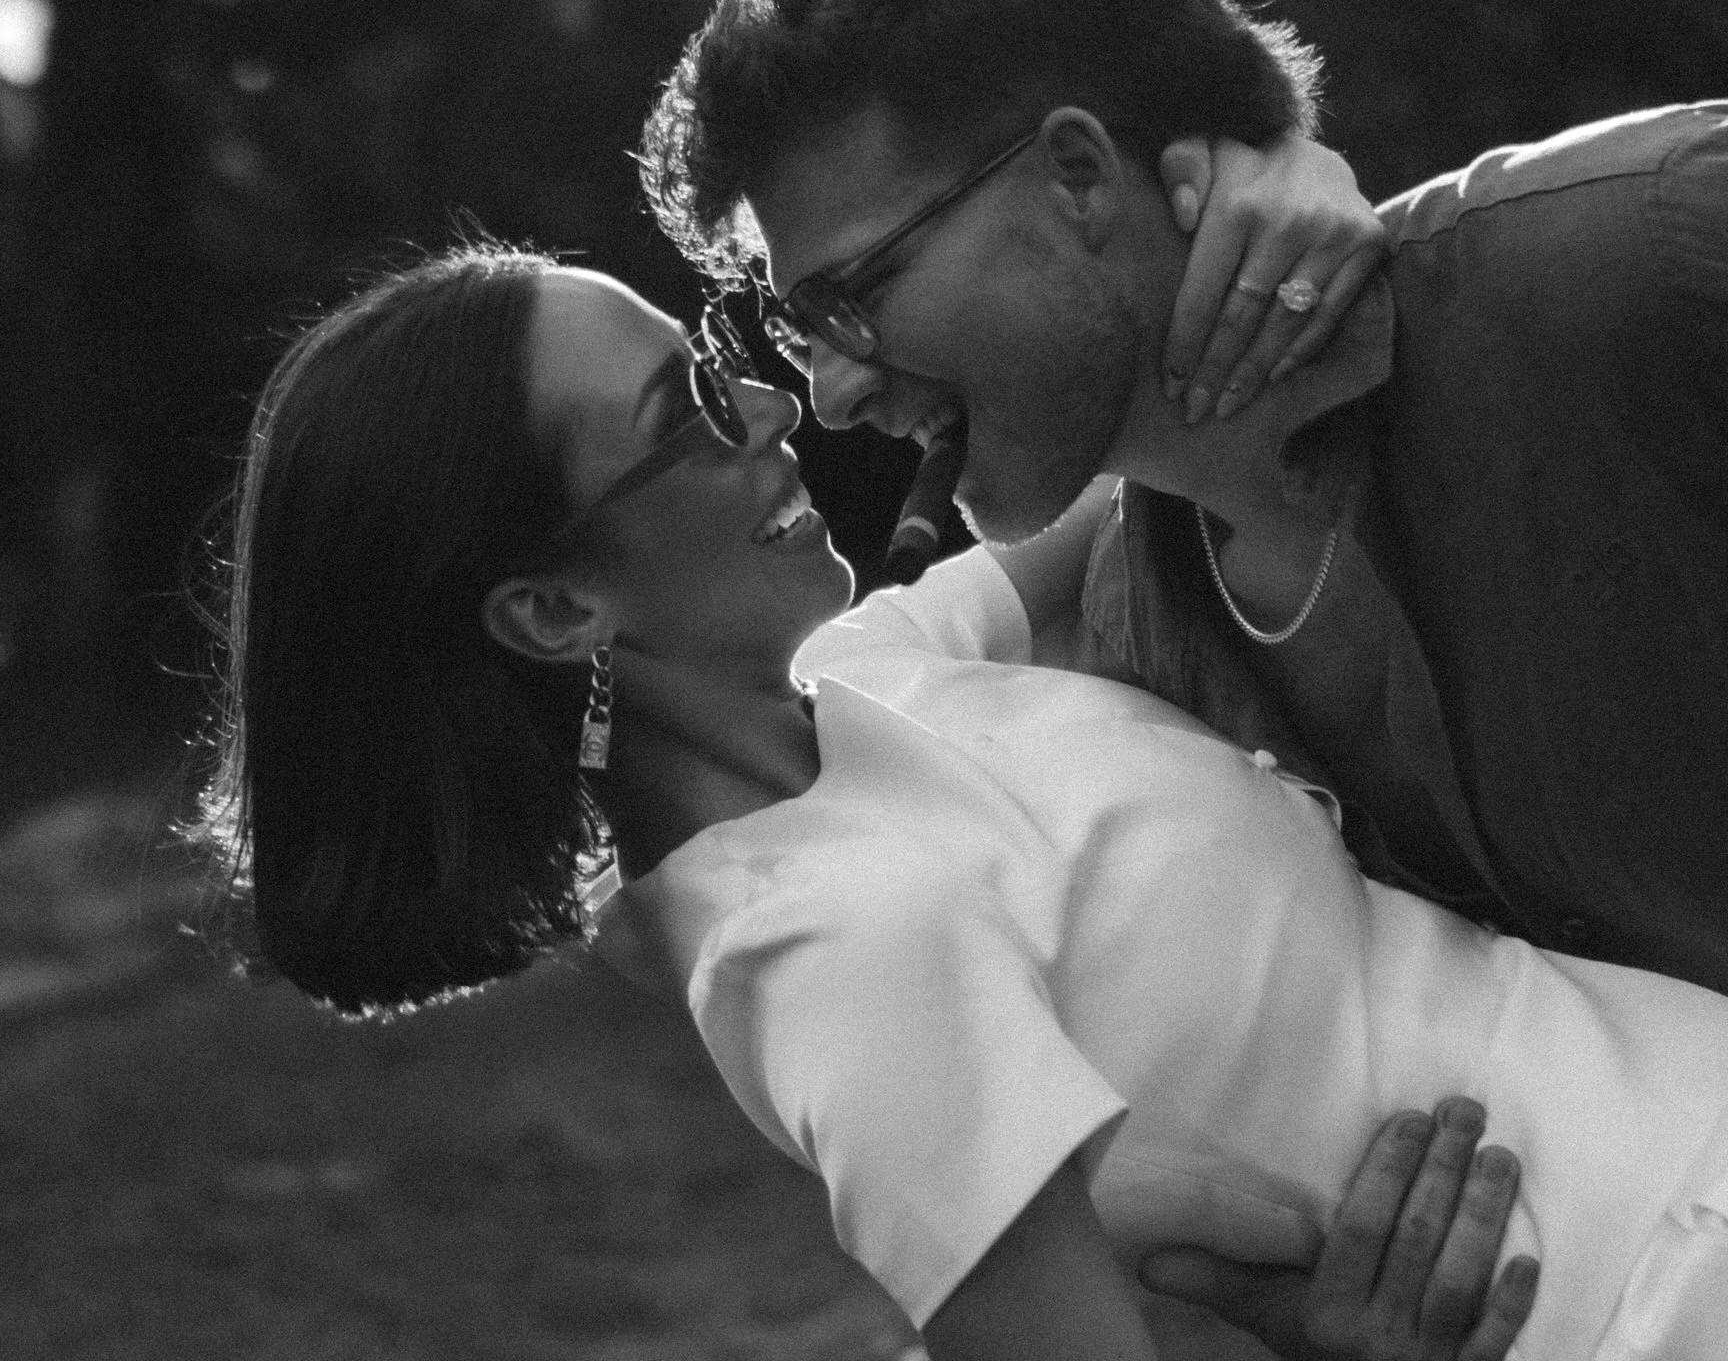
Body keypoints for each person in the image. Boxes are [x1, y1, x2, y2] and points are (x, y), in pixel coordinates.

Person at [195, 248, 1728, 1361]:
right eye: (688, 416)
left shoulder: (871, 674)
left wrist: (1278, 188)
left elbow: (1142, 434)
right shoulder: (824, 948)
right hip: (1646, 1289)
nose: (769, 410)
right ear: (551, 615)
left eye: (721, 350)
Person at [637, 0, 1728, 1003]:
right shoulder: (1134, 662)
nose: (839, 394)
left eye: (851, 298)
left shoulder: (1646, 264)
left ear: (1077, 177)